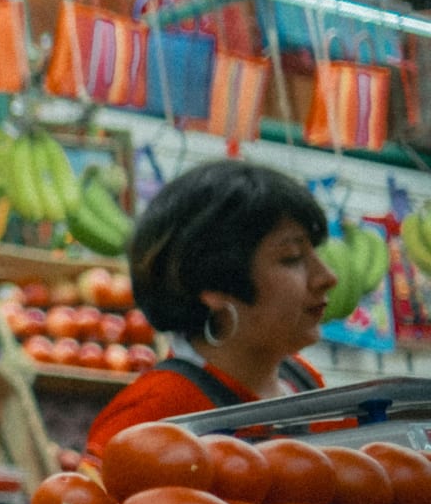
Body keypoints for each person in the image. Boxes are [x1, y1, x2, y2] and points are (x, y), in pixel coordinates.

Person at [85, 160, 333, 464]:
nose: (326, 277)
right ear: (217, 286)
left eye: (314, 253)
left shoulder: (305, 383)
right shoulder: (149, 417)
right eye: (291, 258)